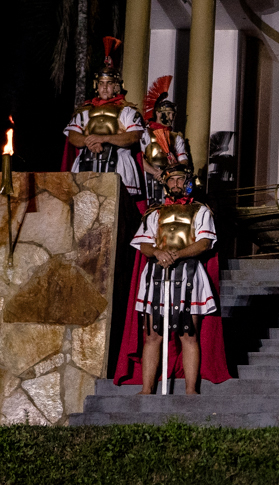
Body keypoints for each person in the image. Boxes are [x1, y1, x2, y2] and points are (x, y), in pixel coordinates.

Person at [131, 164, 218, 395]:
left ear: (188, 182)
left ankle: (191, 391)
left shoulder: (201, 211)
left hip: (189, 274)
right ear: (165, 183)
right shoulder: (154, 213)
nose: (176, 184)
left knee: (188, 333)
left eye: (180, 179)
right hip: (156, 274)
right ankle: (147, 389)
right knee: (153, 334)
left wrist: (177, 254)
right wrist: (159, 253)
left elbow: (204, 242)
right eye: (172, 180)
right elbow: (145, 244)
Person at [63, 37, 145, 205]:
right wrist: (89, 141)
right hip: (86, 163)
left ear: (116, 86)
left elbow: (133, 136)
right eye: (101, 83)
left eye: (109, 83)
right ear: (96, 85)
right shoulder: (85, 111)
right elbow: (73, 136)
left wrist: (104, 139)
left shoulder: (128, 111)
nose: (105, 88)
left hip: (119, 165)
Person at [139, 75, 190, 207]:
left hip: (170, 178)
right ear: (157, 113)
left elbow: (183, 159)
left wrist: (174, 170)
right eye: (168, 113)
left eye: (173, 114)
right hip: (148, 176)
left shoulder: (176, 137)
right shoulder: (145, 133)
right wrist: (154, 172)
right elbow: (139, 157)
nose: (171, 117)